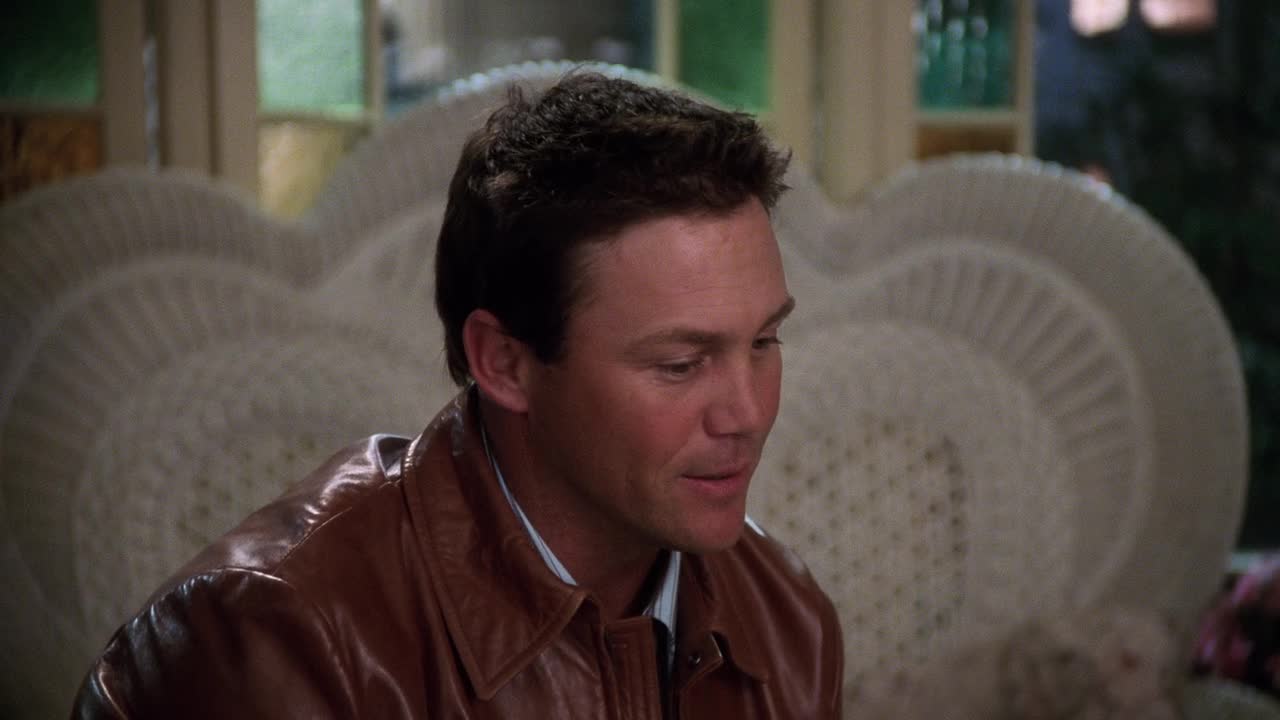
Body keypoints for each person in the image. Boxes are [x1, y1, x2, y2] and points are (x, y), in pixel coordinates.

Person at [73, 71, 844, 718]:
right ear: (504, 363)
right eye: (680, 363)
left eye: (764, 343)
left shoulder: (787, 619)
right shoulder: (272, 639)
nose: (748, 414)